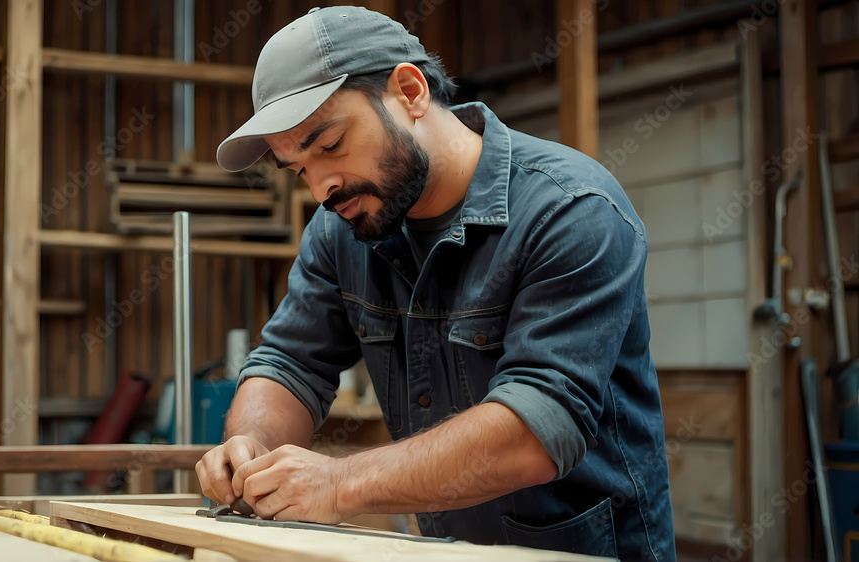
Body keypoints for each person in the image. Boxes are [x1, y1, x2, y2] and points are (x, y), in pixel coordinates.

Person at [196, 6, 676, 560]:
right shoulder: (340, 229)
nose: (321, 186)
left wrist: (337, 483)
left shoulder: (572, 211)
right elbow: (290, 362)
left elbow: (537, 430)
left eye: (329, 145)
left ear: (410, 90)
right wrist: (251, 443)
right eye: (299, 168)